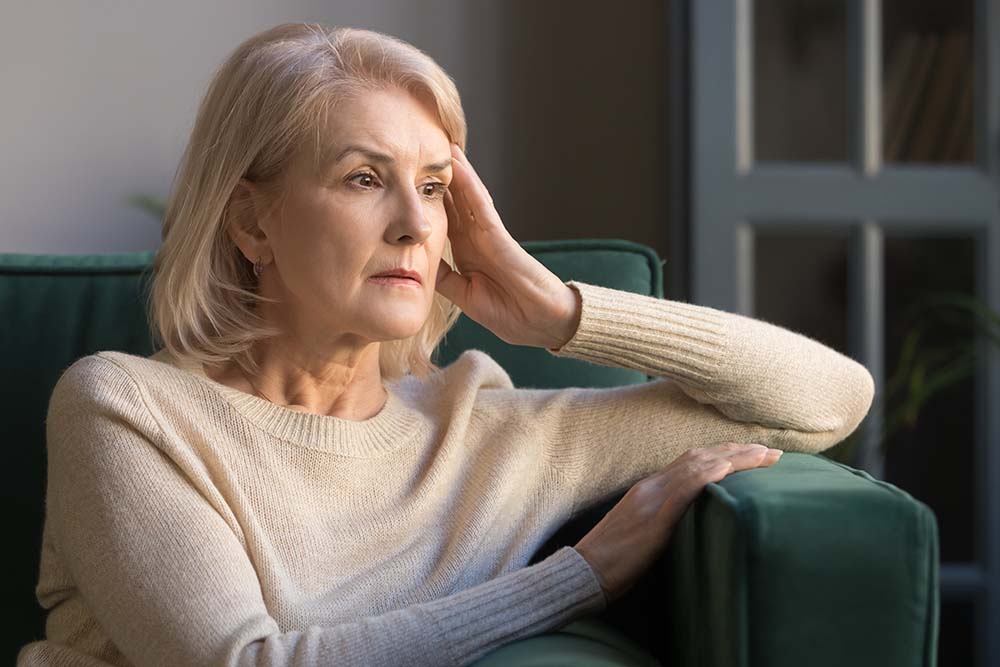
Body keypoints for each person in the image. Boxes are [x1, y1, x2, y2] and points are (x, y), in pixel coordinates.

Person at [17, 22, 875, 667]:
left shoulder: (483, 427)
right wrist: (580, 575)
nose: (416, 223)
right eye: (365, 178)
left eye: (433, 186)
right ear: (251, 220)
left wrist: (561, 312)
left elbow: (832, 397)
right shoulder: (126, 408)